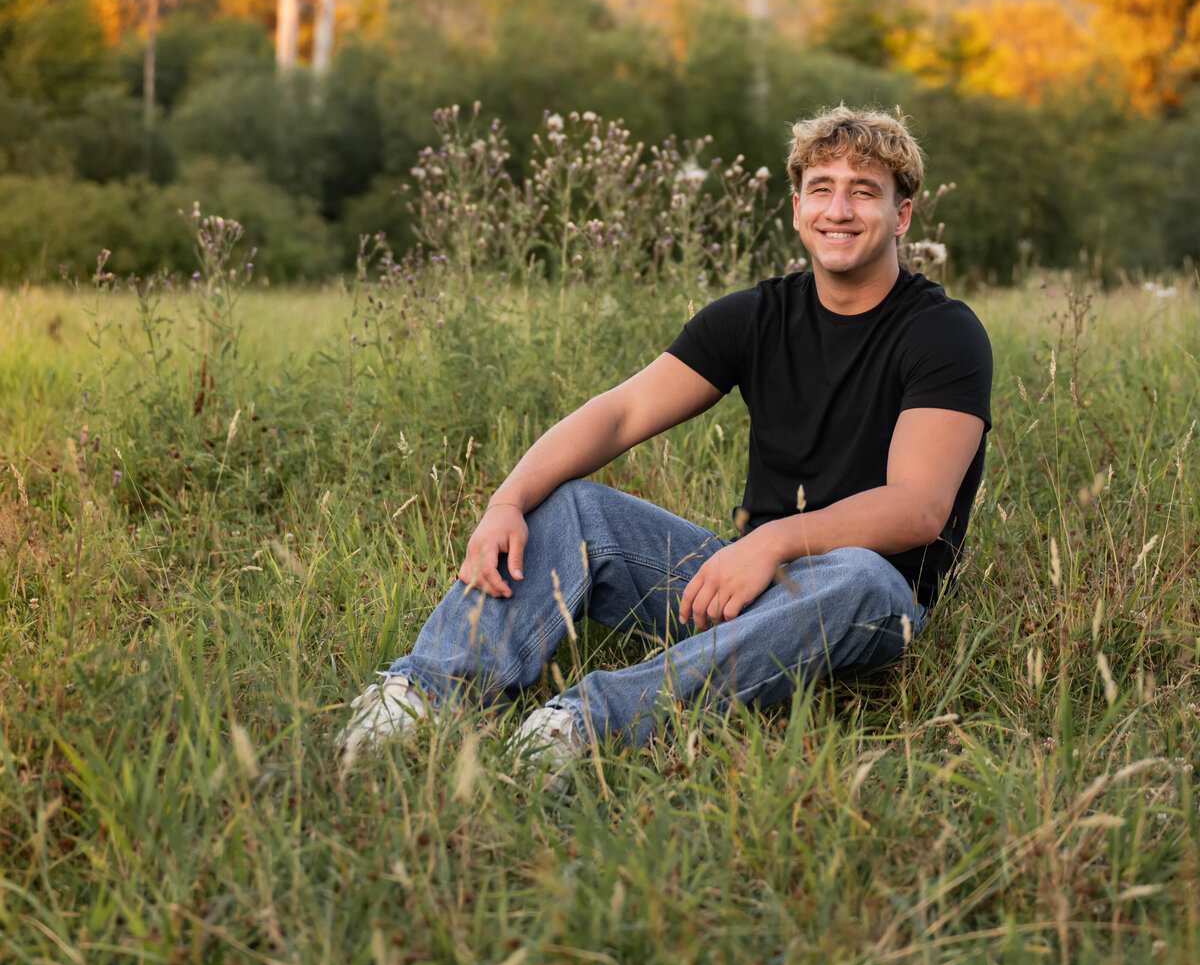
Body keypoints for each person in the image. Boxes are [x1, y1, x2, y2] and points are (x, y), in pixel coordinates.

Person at [335, 105, 991, 776]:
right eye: (821, 188)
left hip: (868, 597)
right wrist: (506, 501)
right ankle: (425, 693)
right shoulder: (757, 315)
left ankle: (581, 726)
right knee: (573, 507)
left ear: (902, 215)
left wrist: (771, 541)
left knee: (860, 577)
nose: (839, 209)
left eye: (864, 191)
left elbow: (918, 508)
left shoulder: (942, 333)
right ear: (797, 209)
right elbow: (620, 414)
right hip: (741, 582)